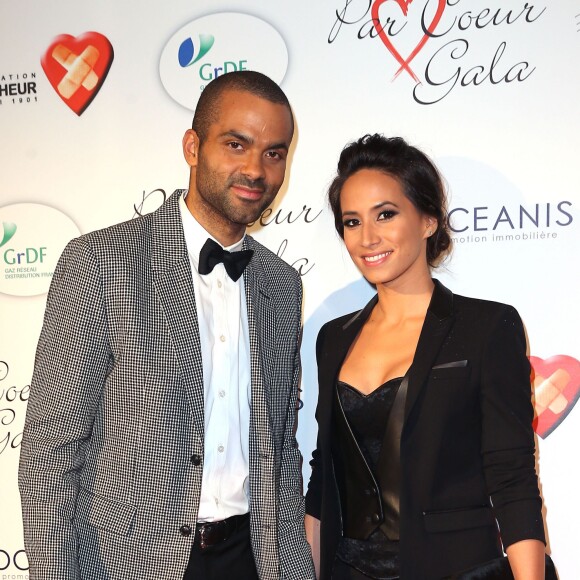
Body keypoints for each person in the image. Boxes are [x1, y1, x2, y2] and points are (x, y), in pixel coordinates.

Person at [18, 71, 315, 580]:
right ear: (192, 146)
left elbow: (281, 453)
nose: (256, 169)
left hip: (252, 560)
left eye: (274, 152)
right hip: (127, 563)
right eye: (236, 144)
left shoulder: (282, 285)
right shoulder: (100, 263)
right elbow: (51, 452)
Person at [304, 134, 549, 579]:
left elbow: (511, 478)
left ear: (429, 220)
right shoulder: (331, 339)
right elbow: (324, 481)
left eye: (386, 214)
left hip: (451, 569)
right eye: (352, 221)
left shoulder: (485, 328)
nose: (367, 237)